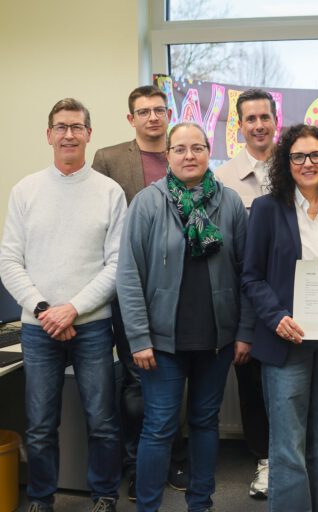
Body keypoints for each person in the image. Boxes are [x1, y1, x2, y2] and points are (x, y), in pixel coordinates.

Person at [116, 122, 253, 512]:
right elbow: (128, 275)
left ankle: (201, 504)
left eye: (197, 148)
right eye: (180, 149)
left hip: (216, 339)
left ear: (210, 152)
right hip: (161, 341)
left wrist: (244, 332)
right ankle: (147, 506)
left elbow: (247, 273)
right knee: (159, 427)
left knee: (206, 423)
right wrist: (138, 339)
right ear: (168, 155)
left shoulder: (229, 204)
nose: (189, 156)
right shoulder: (146, 202)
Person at [0, 98, 125, 512]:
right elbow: (9, 261)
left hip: (92, 327)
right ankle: (40, 499)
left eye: (76, 126)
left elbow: (116, 264)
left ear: (89, 134)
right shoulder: (26, 190)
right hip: (38, 329)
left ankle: (105, 495)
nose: (68, 134)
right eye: (60, 127)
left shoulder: (109, 192)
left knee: (103, 422)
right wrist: (43, 310)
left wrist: (72, 309)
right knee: (39, 426)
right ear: (48, 135)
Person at [242, 123, 318, 512]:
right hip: (285, 341)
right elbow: (250, 276)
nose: (308, 163)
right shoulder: (266, 209)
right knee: (288, 448)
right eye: (298, 156)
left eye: (316, 155)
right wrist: (276, 316)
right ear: (286, 162)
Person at [92, 84, 189, 500]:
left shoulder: (186, 153)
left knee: (178, 376)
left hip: (181, 292)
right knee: (135, 381)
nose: (153, 117)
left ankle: (173, 458)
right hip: (129, 289)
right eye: (143, 111)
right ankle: (136, 464)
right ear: (131, 118)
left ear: (168, 115)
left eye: (159, 110)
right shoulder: (110, 159)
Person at [214, 87, 276, 500]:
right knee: (253, 386)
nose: (258, 125)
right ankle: (266, 459)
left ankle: (295, 459)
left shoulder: (296, 167)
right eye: (250, 119)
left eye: (264, 117)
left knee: (292, 383)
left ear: (275, 121)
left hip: (294, 298)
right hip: (247, 302)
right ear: (240, 126)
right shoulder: (222, 179)